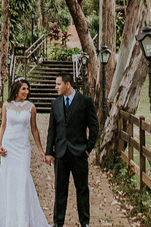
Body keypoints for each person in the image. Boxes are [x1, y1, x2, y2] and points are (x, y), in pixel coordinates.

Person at [0, 78, 50, 227]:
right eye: (24, 89)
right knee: (8, 179)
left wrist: (41, 150)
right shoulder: (6, 106)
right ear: (16, 90)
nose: (26, 92)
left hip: (22, 149)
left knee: (22, 178)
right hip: (9, 148)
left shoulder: (31, 107)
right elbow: (3, 126)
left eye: (27, 89)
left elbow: (34, 129)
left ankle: (22, 218)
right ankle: (7, 217)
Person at [45, 73, 98, 227]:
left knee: (82, 189)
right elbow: (52, 130)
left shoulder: (85, 101)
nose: (56, 87)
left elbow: (94, 127)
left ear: (67, 84)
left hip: (79, 153)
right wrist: (49, 152)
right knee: (60, 190)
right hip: (61, 153)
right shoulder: (55, 104)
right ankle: (58, 222)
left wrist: (88, 148)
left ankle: (84, 222)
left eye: (58, 84)